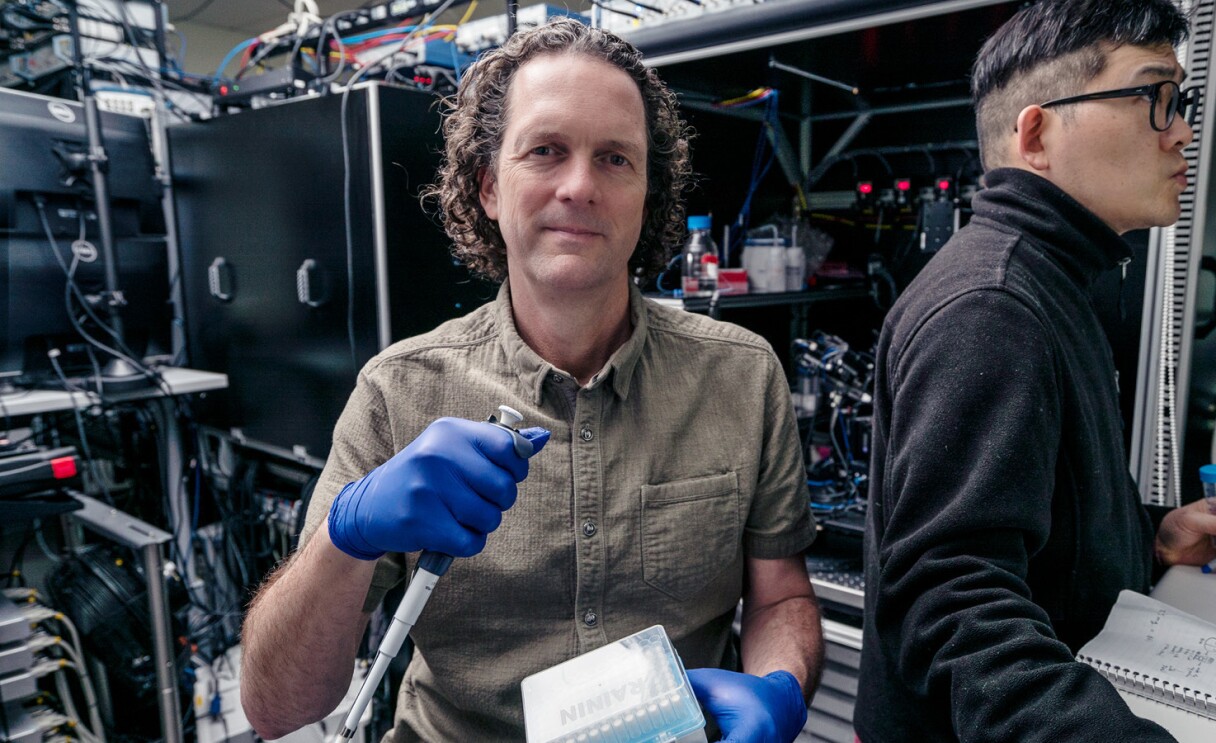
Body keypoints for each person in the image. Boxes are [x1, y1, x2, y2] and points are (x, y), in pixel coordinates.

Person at [239, 18, 823, 743]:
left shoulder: (741, 375)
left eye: (615, 159)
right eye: (546, 151)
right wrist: (344, 538)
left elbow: (780, 597)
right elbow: (276, 707)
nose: (579, 186)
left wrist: (780, 686)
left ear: (648, 196)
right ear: (487, 186)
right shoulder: (399, 393)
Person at [853, 1, 1216, 741]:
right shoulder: (993, 305)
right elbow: (955, 602)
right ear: (1037, 132)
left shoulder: (1047, 284)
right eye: (1155, 98)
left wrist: (1150, 539)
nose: (1182, 130)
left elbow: (1031, 525)